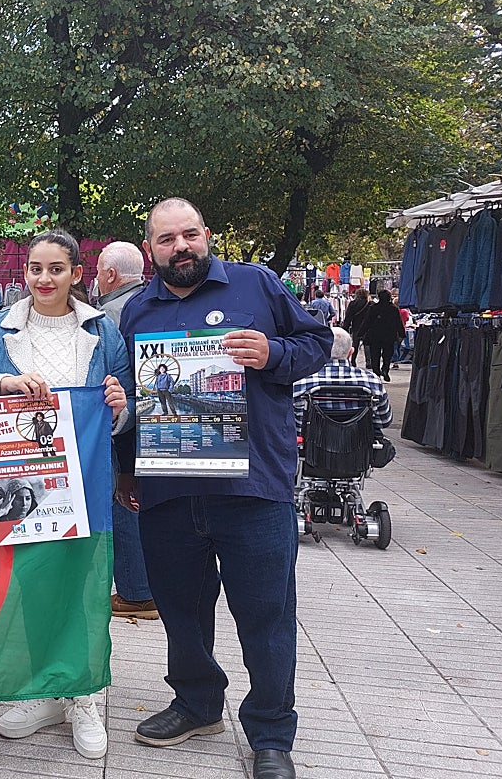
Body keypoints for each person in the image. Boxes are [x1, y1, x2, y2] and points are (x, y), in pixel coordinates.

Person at [119, 198, 330, 779]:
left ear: (206, 235)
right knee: (181, 611)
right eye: (167, 239)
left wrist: (273, 353)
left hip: (252, 489)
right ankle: (196, 702)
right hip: (168, 491)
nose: (180, 247)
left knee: (265, 613)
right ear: (150, 249)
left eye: (189, 235)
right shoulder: (137, 310)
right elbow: (135, 401)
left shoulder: (256, 284)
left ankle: (270, 733)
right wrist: (125, 465)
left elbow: (317, 342)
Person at [0, 228, 133, 760]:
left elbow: (124, 405)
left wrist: (120, 404)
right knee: (30, 583)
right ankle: (47, 687)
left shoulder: (104, 332)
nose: (44, 279)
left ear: (77, 274)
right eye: (35, 268)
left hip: (87, 477)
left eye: (56, 269)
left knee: (83, 583)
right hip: (18, 480)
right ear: (24, 272)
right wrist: (0, 386)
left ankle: (82, 693)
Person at [93, 242, 157, 620]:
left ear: (111, 275)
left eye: (98, 272)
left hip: (122, 429)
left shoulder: (110, 315)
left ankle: (136, 591)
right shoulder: (152, 302)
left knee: (122, 503)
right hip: (160, 425)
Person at [293, 326, 392, 436]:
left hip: (313, 445)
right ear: (351, 352)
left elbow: (295, 424)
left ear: (320, 351)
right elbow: (384, 421)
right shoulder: (372, 381)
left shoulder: (302, 381)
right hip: (359, 445)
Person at [354, 289, 406, 382]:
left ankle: (376, 372)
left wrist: (360, 333)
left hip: (375, 335)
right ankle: (385, 369)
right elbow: (399, 322)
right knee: (387, 354)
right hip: (389, 335)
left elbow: (367, 322)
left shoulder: (374, 308)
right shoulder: (393, 308)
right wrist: (402, 334)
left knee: (375, 354)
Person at [342, 287, 371, 359]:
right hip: (367, 327)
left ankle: (353, 360)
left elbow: (348, 316)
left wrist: (345, 327)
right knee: (367, 344)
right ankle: (368, 361)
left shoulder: (353, 304)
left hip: (356, 326)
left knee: (355, 344)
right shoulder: (370, 304)